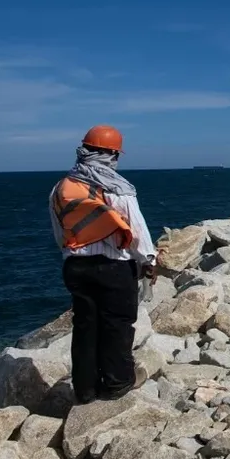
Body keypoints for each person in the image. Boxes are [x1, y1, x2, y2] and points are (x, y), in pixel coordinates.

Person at [49, 124, 159, 404]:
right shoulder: (117, 189)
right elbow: (137, 232)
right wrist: (148, 261)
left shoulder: (62, 188)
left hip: (76, 268)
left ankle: (84, 390)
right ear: (111, 155)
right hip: (114, 268)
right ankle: (117, 383)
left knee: (85, 326)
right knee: (118, 324)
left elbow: (60, 234)